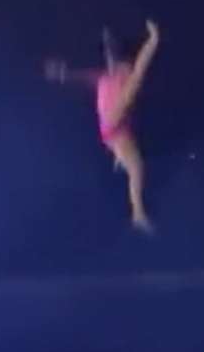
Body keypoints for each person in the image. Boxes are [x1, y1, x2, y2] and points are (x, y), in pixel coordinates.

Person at [45, 19, 160, 232]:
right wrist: (153, 40)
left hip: (112, 130)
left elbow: (85, 74)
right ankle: (137, 212)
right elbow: (137, 63)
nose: (124, 68)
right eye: (123, 66)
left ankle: (120, 162)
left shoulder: (112, 78)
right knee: (136, 167)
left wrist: (64, 75)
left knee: (135, 164)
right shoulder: (114, 77)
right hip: (112, 125)